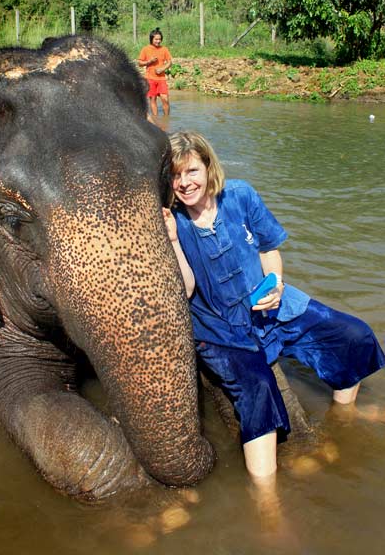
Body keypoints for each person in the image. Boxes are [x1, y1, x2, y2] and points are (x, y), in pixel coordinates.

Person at [163, 130, 385, 486]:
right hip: (221, 328)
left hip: (272, 307)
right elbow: (186, 288)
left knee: (352, 335)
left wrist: (277, 284)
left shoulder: (240, 196)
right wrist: (173, 240)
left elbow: (269, 249)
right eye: (175, 176)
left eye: (192, 171)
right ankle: (267, 501)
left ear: (208, 166)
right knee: (258, 387)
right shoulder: (173, 221)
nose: (185, 183)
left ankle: (345, 412)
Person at [138, 28, 172, 117]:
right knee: (153, 99)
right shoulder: (145, 49)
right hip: (150, 78)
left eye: (160, 39)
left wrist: (162, 69)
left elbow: (169, 62)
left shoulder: (164, 49)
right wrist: (149, 61)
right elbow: (140, 63)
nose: (158, 41)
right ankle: (156, 120)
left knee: (165, 99)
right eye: (156, 39)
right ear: (151, 39)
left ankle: (166, 119)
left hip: (161, 78)